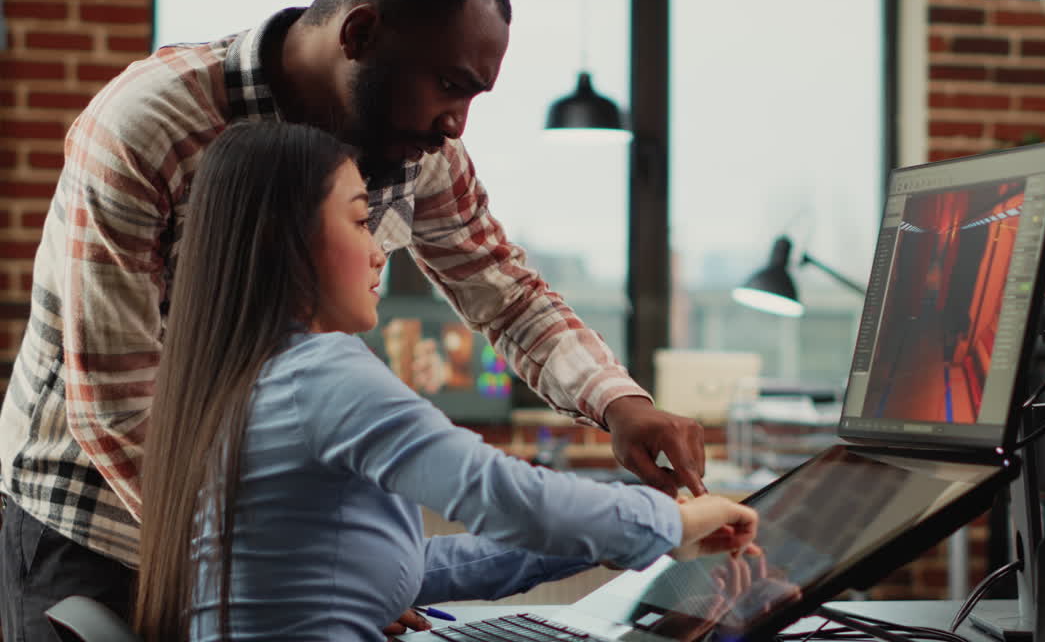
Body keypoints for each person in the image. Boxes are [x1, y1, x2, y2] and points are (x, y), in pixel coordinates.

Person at [0, 0, 707, 638]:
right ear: (361, 33)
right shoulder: (149, 126)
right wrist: (277, 572)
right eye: (451, 85)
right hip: (93, 520)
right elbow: (118, 408)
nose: (458, 124)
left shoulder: (413, 143)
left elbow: (507, 290)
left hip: (255, 543)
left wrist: (619, 403)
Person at [133, 121, 758, 641]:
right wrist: (671, 520)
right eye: (358, 221)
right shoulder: (320, 376)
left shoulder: (229, 378)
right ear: (285, 243)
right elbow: (501, 495)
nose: (381, 251)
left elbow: (406, 567)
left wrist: (633, 539)